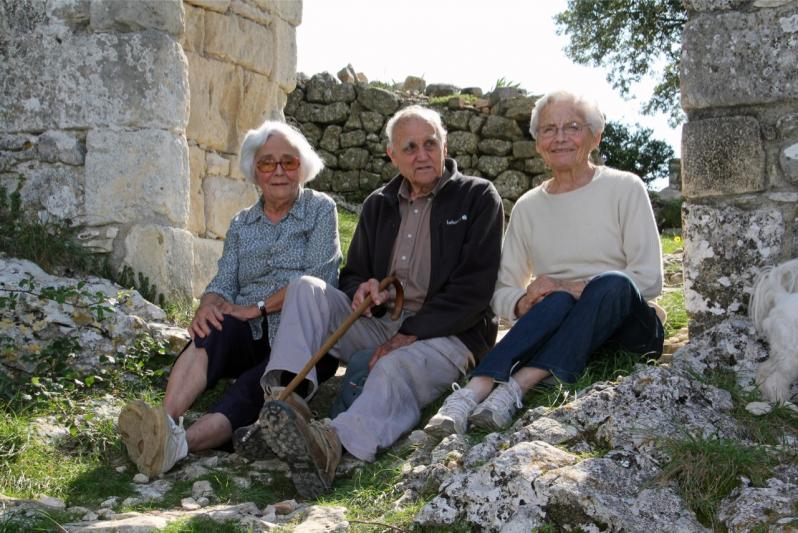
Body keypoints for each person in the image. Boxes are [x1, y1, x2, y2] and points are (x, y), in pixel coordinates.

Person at [248, 105, 503, 498]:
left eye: (430, 144)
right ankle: (284, 407)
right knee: (304, 289)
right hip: (383, 321)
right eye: (410, 147)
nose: (422, 155)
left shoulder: (478, 197)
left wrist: (412, 333)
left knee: (392, 366)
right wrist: (363, 292)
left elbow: (475, 288)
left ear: (445, 145)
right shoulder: (378, 203)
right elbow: (352, 274)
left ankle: (331, 443)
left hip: (452, 333)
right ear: (392, 155)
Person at [424, 89, 665, 438]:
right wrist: (524, 301)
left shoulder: (625, 188)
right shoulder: (528, 206)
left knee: (610, 283)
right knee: (556, 299)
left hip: (628, 325)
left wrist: (569, 287)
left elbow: (648, 278)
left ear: (595, 137)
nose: (561, 138)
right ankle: (472, 394)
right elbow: (503, 289)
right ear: (538, 143)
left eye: (573, 127)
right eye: (549, 130)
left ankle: (517, 386)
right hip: (562, 322)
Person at [117, 120, 342, 477]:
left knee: (250, 389)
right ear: (255, 172)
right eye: (268, 163)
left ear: (303, 167)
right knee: (211, 329)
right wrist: (207, 306)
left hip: (302, 339)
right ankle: (165, 422)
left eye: (289, 162)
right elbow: (223, 281)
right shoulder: (242, 224)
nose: (279, 171)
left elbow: (318, 277)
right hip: (249, 332)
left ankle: (177, 446)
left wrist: (257, 307)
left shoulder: (320, 210)